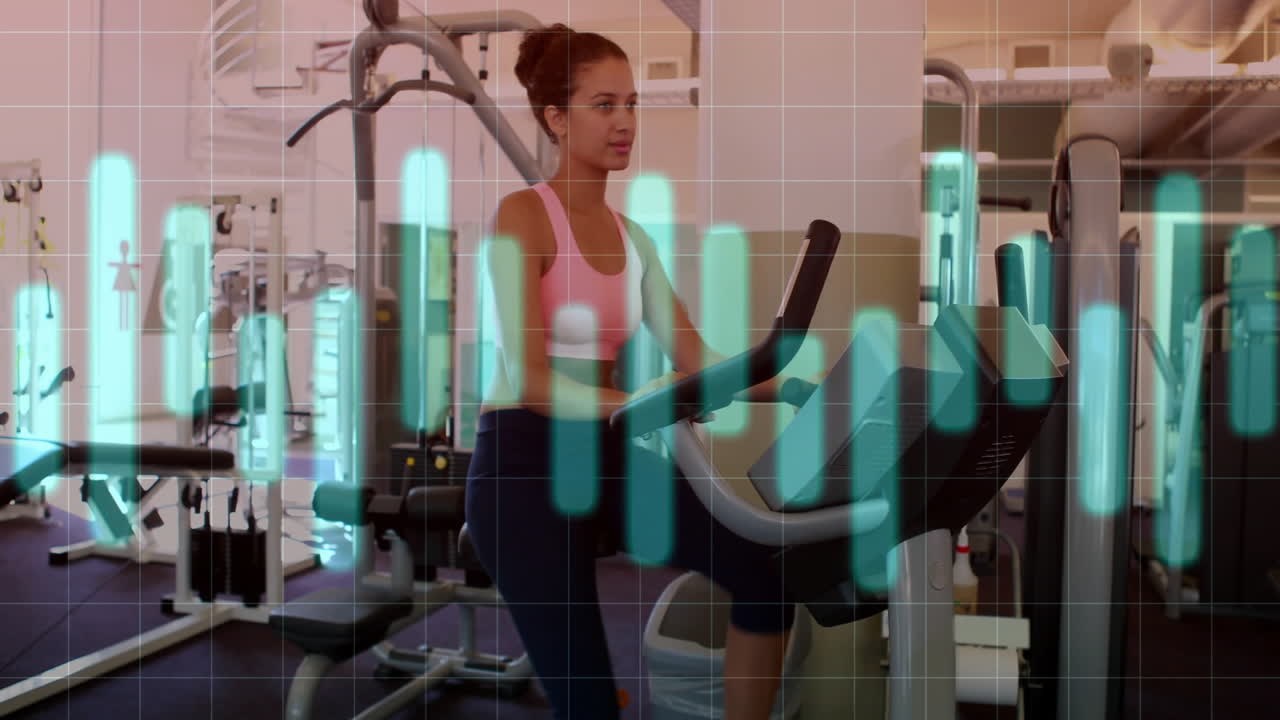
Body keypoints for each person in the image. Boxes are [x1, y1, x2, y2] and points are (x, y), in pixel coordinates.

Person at [465, 23, 804, 720]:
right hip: (523, 465)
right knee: (589, 702)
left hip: (610, 452)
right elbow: (528, 378)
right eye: (604, 105)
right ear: (557, 118)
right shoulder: (522, 217)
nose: (625, 123)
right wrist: (641, 398)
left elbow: (697, 359)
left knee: (764, 573)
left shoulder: (633, 237)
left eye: (632, 104)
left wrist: (796, 386)